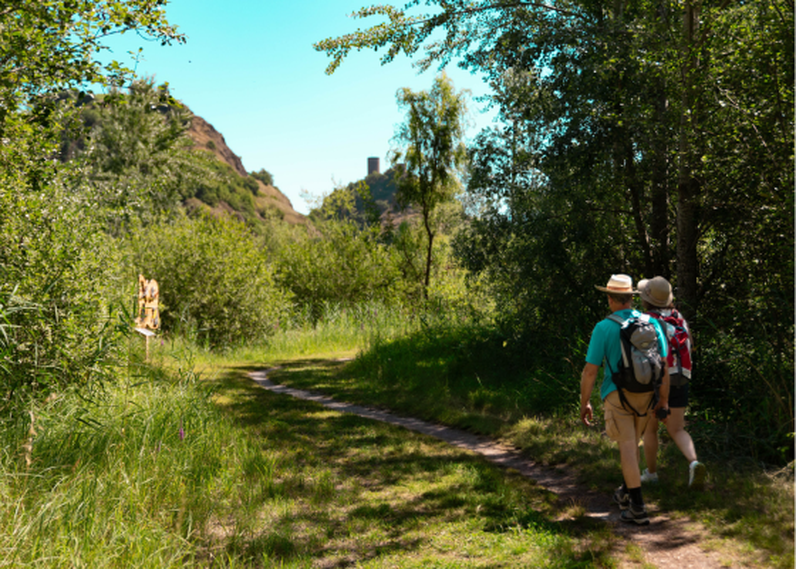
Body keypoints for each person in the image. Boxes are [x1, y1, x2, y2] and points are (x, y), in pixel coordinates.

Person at [580, 274, 670, 525]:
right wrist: (663, 401)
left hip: (617, 395)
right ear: (631, 298)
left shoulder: (604, 327)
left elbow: (590, 371)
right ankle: (624, 492)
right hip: (647, 394)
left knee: (628, 448)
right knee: (633, 446)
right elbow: (664, 366)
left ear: (610, 298)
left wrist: (584, 402)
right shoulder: (651, 323)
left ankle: (638, 508)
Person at [637, 276, 706, 490]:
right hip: (682, 375)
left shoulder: (646, 319)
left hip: (658, 379)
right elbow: (691, 345)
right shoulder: (679, 317)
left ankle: (651, 473)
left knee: (650, 428)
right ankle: (694, 463)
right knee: (676, 428)